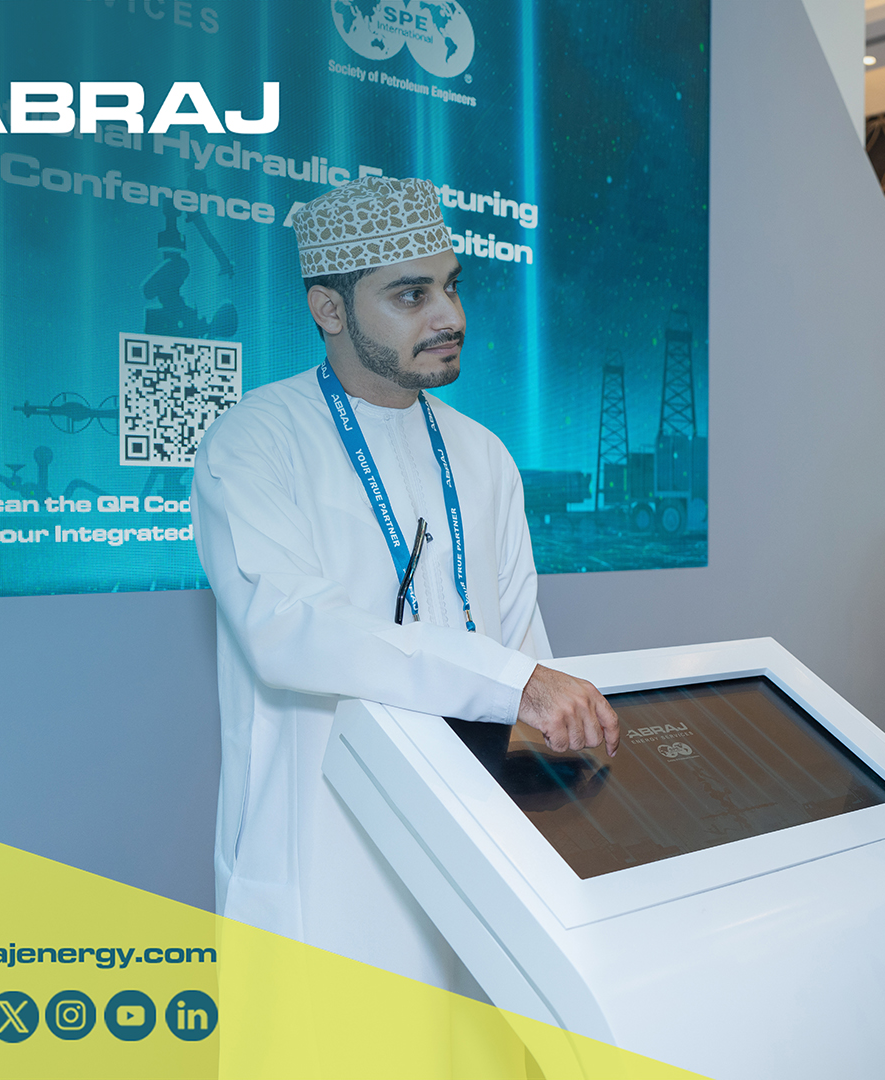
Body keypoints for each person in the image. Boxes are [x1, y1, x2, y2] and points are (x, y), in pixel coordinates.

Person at [192, 177, 621, 997]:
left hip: (477, 841)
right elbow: (291, 630)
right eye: (411, 294)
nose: (450, 316)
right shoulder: (253, 442)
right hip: (324, 850)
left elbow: (525, 646)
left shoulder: (484, 454)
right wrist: (516, 684)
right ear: (330, 309)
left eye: (452, 286)